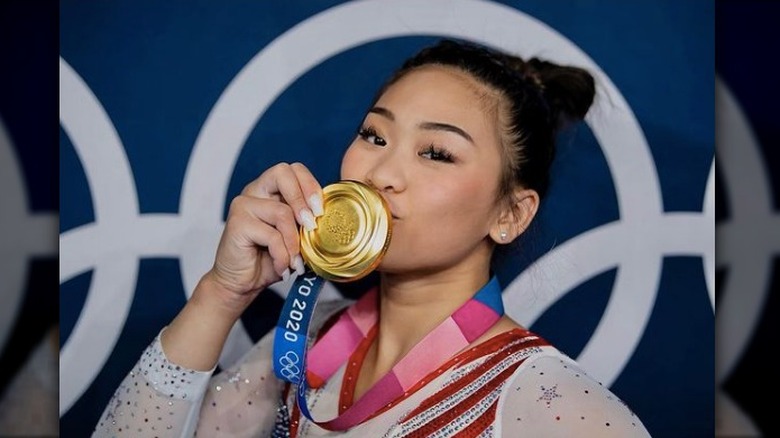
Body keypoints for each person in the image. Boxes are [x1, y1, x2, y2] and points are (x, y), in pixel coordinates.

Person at [92, 39, 650, 437]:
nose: (381, 172)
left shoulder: (550, 406)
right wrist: (220, 295)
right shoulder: (303, 343)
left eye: (436, 152)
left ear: (510, 213)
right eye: (373, 134)